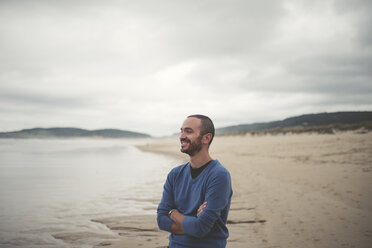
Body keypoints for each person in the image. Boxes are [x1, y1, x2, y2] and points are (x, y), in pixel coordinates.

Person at [157, 114, 233, 248]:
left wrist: (173, 213)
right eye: (181, 131)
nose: (181, 136)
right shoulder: (175, 174)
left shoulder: (219, 175)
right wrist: (193, 223)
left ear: (206, 138)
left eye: (188, 131)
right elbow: (161, 220)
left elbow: (200, 228)